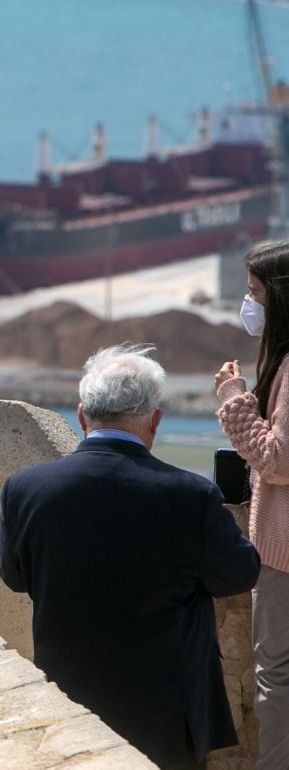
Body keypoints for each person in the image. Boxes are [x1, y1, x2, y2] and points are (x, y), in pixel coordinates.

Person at [0, 344, 259, 769]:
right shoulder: (191, 496)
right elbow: (239, 573)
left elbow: (14, 575)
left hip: (67, 701)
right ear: (155, 421)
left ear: (82, 415)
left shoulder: (24, 489)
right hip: (167, 714)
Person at [216, 239, 289, 768]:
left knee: (277, 676)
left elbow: (278, 460)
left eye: (254, 293)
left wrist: (236, 400)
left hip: (284, 555)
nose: (249, 305)